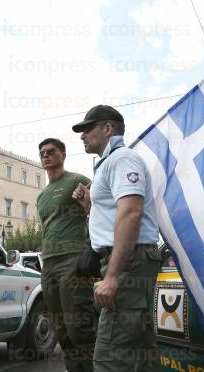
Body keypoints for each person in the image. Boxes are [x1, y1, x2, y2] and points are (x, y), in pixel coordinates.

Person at [72, 105, 162, 372]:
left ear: (107, 128)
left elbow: (132, 213)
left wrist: (112, 277)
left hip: (127, 261)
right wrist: (90, 207)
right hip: (130, 260)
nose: (82, 135)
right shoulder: (111, 163)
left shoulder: (122, 159)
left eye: (87, 129)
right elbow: (118, 215)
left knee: (110, 358)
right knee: (140, 351)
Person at [36, 138, 97, 371]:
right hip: (48, 263)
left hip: (72, 260)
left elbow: (99, 204)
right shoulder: (41, 196)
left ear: (62, 154)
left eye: (51, 151)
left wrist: (88, 206)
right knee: (61, 330)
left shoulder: (77, 180)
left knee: (79, 328)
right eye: (42, 152)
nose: (46, 155)